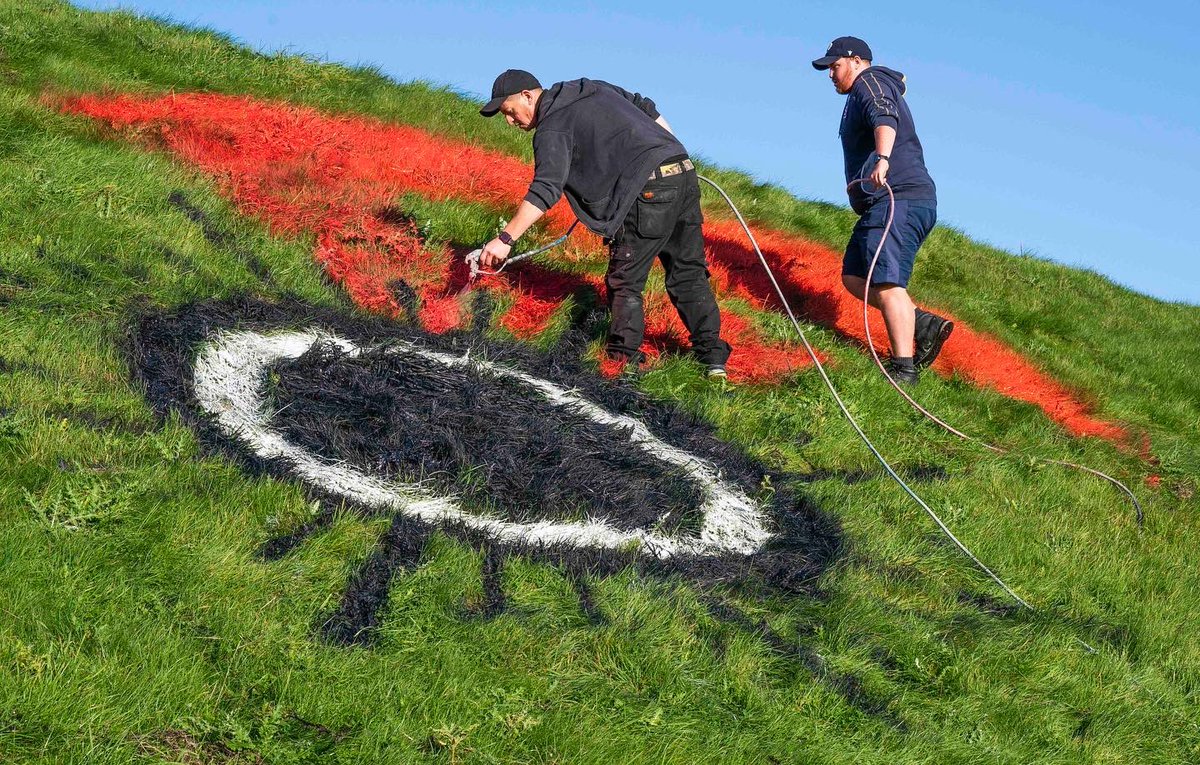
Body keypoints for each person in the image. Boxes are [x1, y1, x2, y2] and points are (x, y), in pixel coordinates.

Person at [478, 69, 731, 378]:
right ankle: (712, 360)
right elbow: (646, 106)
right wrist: (670, 153)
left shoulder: (552, 127)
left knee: (625, 279)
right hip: (683, 171)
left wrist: (505, 239)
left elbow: (546, 187)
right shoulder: (591, 88)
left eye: (508, 111)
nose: (510, 121)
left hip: (649, 188)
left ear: (528, 96)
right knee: (687, 271)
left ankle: (623, 361)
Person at [812, 37, 953, 385]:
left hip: (899, 197)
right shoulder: (862, 88)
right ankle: (920, 322)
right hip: (881, 204)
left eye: (835, 65)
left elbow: (884, 118)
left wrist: (883, 158)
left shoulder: (870, 83)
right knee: (854, 277)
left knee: (888, 282)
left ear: (856, 61)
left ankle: (904, 369)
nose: (831, 73)